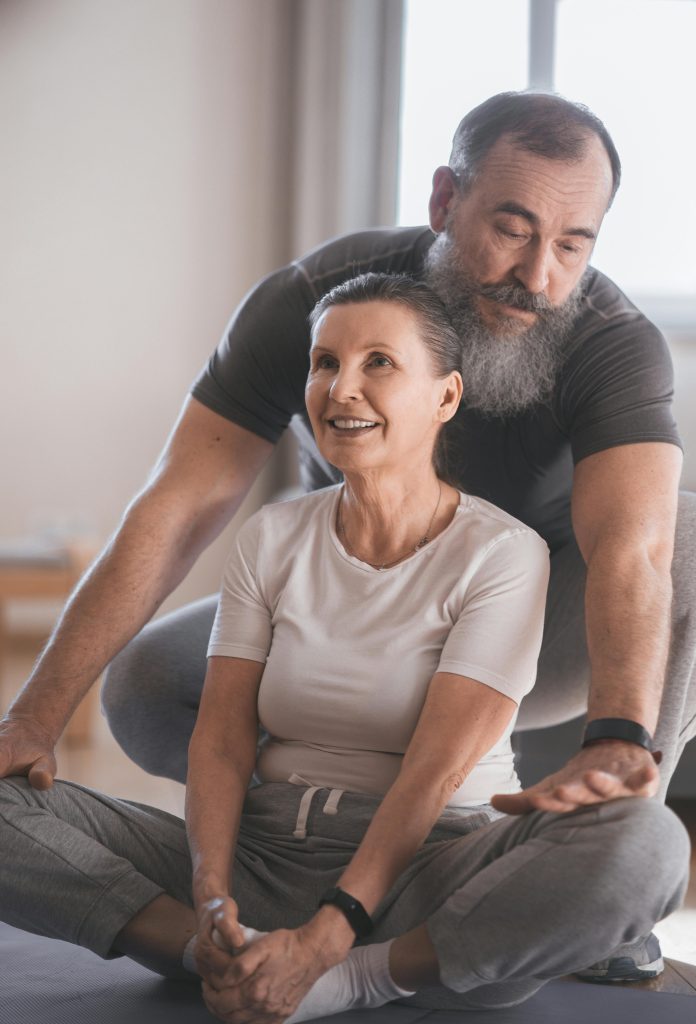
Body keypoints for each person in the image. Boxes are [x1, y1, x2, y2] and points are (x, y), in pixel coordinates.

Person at [1, 91, 693, 982]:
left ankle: (600, 857)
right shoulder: (317, 302)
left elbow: (634, 555)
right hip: (348, 608)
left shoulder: (610, 343)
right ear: (445, 201)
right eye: (513, 229)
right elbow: (176, 505)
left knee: (686, 530)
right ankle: (273, 885)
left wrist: (620, 735)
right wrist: (35, 715)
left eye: (573, 244)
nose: (538, 276)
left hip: (539, 621)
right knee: (147, 683)